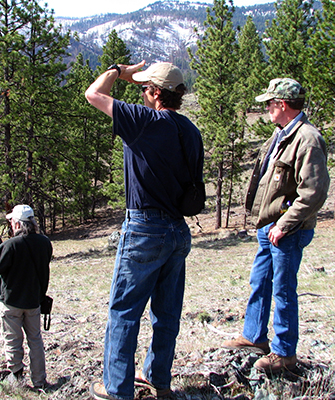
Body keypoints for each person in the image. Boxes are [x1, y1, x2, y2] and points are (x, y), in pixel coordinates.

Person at [85, 61, 204, 400]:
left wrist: (117, 70)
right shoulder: (190, 130)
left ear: (155, 93)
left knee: (124, 311)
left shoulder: (144, 121)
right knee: (166, 313)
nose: (140, 93)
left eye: (143, 88)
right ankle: (159, 381)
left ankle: (117, 389)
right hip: (178, 231)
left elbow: (93, 94)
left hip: (145, 229)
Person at [223, 78, 330, 373]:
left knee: (283, 290)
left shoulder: (307, 138)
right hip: (269, 228)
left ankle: (284, 353)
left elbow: (314, 192)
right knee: (261, 282)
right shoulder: (281, 134)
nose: (266, 108)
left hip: (287, 231)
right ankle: (255, 337)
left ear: (282, 104)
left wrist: (284, 225)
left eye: (270, 103)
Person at [0, 204, 53, 388]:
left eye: (11, 221)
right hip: (34, 301)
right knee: (36, 341)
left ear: (17, 224)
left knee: (12, 339)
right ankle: (39, 380)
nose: (10, 224)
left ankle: (16, 376)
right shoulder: (44, 242)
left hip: (11, 302)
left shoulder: (10, 245)